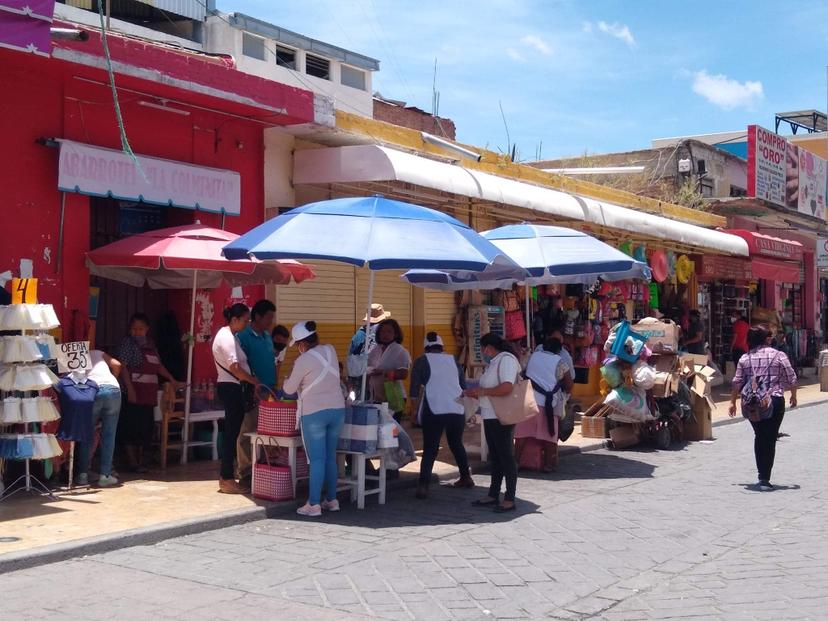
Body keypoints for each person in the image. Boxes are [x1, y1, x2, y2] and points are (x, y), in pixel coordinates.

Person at [283, 321, 345, 517]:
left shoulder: (303, 361)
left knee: (317, 459)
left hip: (315, 414)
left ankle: (313, 504)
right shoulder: (331, 350)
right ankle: (332, 500)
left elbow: (289, 389)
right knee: (330, 457)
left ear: (301, 344)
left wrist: (285, 381)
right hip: (337, 411)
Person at [728, 325, 797, 491]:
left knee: (759, 436)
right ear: (766, 339)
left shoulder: (745, 358)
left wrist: (732, 402)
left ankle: (761, 476)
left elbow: (737, 382)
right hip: (774, 400)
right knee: (770, 437)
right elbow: (792, 378)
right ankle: (765, 477)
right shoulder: (779, 355)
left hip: (752, 403)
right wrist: (793, 395)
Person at [409, 331, 473, 499]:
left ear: (425, 348)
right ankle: (466, 476)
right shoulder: (453, 360)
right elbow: (463, 385)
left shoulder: (422, 361)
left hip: (434, 408)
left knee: (430, 447)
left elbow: (415, 389)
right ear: (442, 347)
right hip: (456, 408)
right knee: (456, 443)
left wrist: (414, 411)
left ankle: (423, 485)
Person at [118, 313, 183, 473]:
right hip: (133, 393)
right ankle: (133, 462)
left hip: (148, 394)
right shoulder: (127, 344)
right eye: (134, 329)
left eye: (140, 329)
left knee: (145, 428)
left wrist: (172, 380)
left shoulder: (151, 344)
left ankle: (142, 462)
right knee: (130, 429)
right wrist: (130, 389)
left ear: (147, 329)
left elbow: (158, 366)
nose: (136, 332)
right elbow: (123, 367)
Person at [464, 333, 521, 513]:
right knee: (495, 456)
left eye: (483, 348)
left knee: (505, 456)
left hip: (501, 415)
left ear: (489, 347)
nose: (483, 352)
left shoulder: (507, 360)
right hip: (490, 415)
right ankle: (493, 493)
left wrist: (482, 392)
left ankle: (509, 497)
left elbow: (506, 387)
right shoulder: (493, 363)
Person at [212, 304, 260, 494]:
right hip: (231, 388)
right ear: (234, 319)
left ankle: (228, 476)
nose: (247, 323)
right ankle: (226, 477)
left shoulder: (231, 336)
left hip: (233, 387)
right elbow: (234, 367)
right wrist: (252, 380)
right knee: (232, 434)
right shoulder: (226, 337)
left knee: (233, 432)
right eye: (245, 320)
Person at [515, 337, 573, 472]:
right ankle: (548, 464)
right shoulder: (561, 362)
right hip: (549, 405)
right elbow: (569, 384)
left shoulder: (533, 357)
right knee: (549, 436)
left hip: (528, 401)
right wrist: (565, 395)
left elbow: (522, 372)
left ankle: (515, 461)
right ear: (559, 350)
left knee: (522, 434)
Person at [235, 299, 276, 491]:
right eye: (268, 316)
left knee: (267, 432)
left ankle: (263, 466)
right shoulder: (243, 336)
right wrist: (252, 385)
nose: (271, 320)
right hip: (252, 391)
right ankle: (244, 470)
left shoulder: (267, 336)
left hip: (269, 391)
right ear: (258, 316)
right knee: (247, 430)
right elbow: (241, 364)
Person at [77, 350, 123, 487]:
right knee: (109, 434)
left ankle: (82, 475)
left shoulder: (72, 355)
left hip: (92, 390)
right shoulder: (97, 352)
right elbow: (117, 364)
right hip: (113, 389)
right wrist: (112, 379)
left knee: (87, 434)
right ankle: (105, 476)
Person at [367, 318, 411, 422]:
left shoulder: (400, 351)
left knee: (391, 431)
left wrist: (383, 372)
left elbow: (404, 374)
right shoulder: (375, 350)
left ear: (395, 334)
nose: (385, 334)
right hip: (376, 397)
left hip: (393, 396)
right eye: (382, 331)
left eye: (389, 331)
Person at [347, 303, 390, 393]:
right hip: (376, 375)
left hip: (358, 375)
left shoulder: (359, 333)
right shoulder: (383, 333)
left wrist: (350, 380)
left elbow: (351, 356)